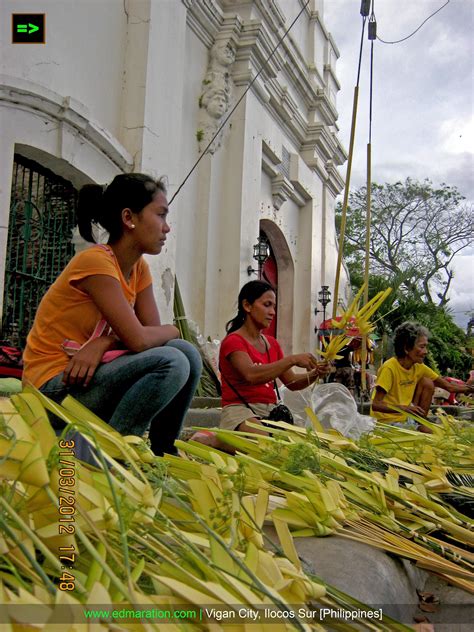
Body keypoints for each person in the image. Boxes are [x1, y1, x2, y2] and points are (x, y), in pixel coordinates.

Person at [22, 173, 202, 456]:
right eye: (161, 215)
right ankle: (112, 457)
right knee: (172, 361)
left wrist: (105, 342)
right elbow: (142, 341)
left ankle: (163, 454)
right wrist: (164, 332)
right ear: (129, 218)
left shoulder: (138, 268)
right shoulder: (95, 262)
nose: (167, 228)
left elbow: (154, 337)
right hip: (51, 387)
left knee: (185, 352)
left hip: (88, 377)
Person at [193, 281, 329, 448]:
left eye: (274, 307)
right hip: (240, 409)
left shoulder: (272, 344)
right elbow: (251, 375)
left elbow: (292, 382)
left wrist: (316, 373)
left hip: (270, 410)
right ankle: (210, 440)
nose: (272, 312)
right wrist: (292, 360)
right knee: (264, 445)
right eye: (267, 305)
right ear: (247, 306)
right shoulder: (233, 341)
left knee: (298, 447)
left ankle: (229, 440)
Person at [370, 322, 473, 431]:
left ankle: (421, 421)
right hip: (386, 423)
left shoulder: (419, 367)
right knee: (432, 432)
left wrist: (470, 389)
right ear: (406, 348)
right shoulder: (389, 368)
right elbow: (376, 404)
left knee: (427, 382)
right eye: (422, 347)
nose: (426, 352)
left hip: (406, 418)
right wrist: (405, 409)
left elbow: (449, 387)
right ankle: (421, 427)